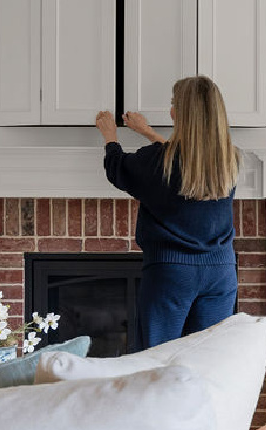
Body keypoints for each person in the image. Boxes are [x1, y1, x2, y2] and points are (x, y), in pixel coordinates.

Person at [96, 76, 240, 350]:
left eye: (174, 104)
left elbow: (119, 169)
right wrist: (148, 133)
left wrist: (110, 136)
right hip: (221, 273)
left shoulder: (157, 162)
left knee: (158, 359)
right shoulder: (228, 159)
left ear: (182, 113)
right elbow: (185, 162)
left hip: (173, 273)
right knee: (209, 361)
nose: (170, 109)